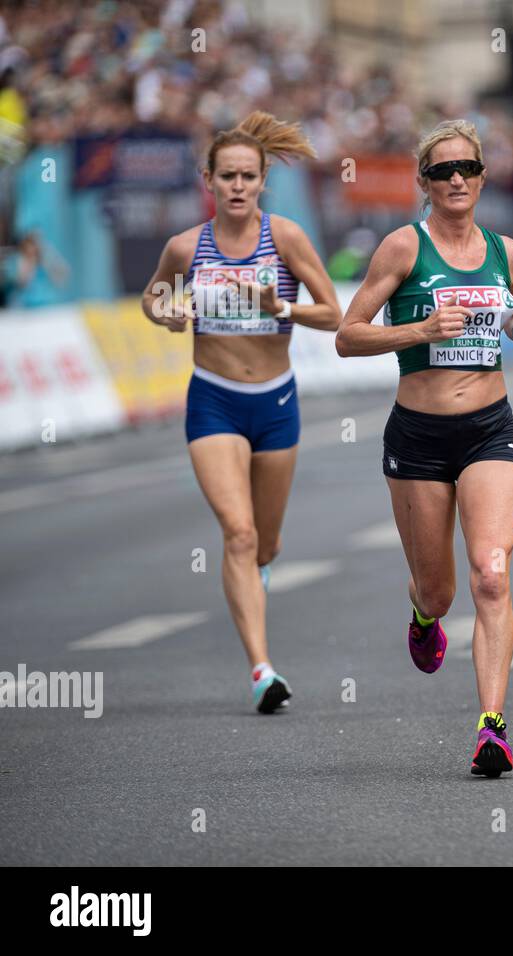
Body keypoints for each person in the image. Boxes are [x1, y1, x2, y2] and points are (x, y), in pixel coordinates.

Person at [334, 119, 513, 778]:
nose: (455, 180)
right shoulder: (403, 248)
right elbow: (347, 335)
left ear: (482, 177)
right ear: (423, 182)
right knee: (443, 588)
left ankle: (492, 725)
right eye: (441, 171)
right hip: (419, 437)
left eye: (467, 169)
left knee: (492, 573)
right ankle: (424, 613)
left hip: (489, 428)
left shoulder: (507, 251)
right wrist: (419, 329)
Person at [139, 112, 341, 713]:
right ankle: (261, 669)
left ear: (261, 182)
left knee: (268, 543)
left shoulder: (286, 239)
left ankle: (259, 572)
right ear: (208, 179)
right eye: (226, 175)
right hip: (213, 400)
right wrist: (166, 313)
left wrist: (277, 303)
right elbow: (154, 293)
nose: (236, 186)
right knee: (239, 532)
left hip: (276, 402)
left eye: (247, 177)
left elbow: (333, 314)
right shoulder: (186, 246)